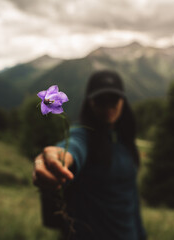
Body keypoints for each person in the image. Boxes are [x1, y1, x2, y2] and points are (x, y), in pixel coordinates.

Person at [33, 70, 146, 240]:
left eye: (113, 99)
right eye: (101, 100)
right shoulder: (83, 135)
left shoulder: (126, 141)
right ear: (90, 102)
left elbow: (131, 200)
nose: (108, 106)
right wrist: (57, 158)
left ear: (123, 101)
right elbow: (73, 147)